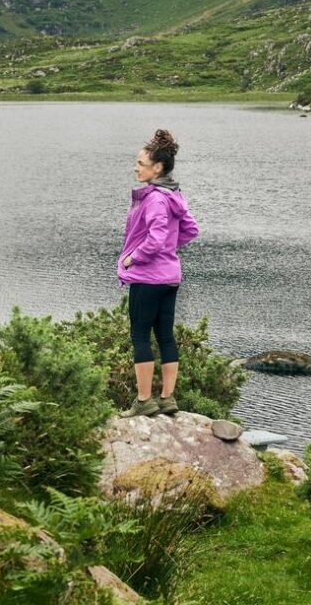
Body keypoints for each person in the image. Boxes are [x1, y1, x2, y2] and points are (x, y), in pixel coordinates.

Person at [116, 129, 199, 417]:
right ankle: (167, 399)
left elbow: (155, 238)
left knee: (140, 335)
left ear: (158, 167)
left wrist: (132, 259)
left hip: (147, 277)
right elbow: (191, 229)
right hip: (171, 277)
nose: (136, 167)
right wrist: (167, 252)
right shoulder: (175, 195)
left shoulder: (154, 199)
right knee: (165, 336)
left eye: (140, 163)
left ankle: (143, 401)